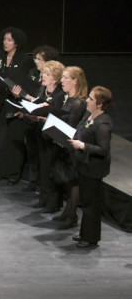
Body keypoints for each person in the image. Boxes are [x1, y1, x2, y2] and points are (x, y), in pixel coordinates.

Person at [0, 28, 35, 185]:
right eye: (4, 39)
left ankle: (14, 173)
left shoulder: (24, 60)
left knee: (15, 139)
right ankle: (2, 171)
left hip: (16, 105)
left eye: (9, 40)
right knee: (1, 139)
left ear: (16, 43)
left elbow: (27, 83)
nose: (5, 42)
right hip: (0, 104)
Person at [17, 60, 65, 213]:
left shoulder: (59, 95)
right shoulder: (44, 91)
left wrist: (42, 117)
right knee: (42, 166)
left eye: (48, 74)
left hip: (52, 136)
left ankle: (53, 202)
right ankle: (44, 197)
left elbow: (60, 116)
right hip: (40, 132)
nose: (43, 76)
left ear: (56, 78)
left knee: (49, 168)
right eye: (43, 73)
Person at [69, 86, 113, 248]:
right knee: (86, 202)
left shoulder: (103, 124)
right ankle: (84, 234)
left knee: (91, 204)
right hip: (84, 166)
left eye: (91, 99)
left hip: (94, 168)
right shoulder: (89, 115)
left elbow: (103, 149)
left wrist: (82, 146)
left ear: (100, 104)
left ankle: (90, 237)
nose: (87, 100)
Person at [51, 66, 89, 229]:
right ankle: (67, 211)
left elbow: (73, 126)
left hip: (72, 147)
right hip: (64, 144)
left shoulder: (79, 102)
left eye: (65, 78)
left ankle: (72, 216)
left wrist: (62, 137)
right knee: (67, 180)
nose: (62, 81)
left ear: (75, 81)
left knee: (73, 182)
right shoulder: (68, 99)